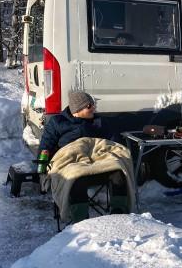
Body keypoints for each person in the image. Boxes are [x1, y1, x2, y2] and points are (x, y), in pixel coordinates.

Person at [38, 91, 134, 223]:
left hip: (99, 162)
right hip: (72, 161)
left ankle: (119, 214)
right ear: (77, 110)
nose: (93, 108)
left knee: (118, 171)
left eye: (93, 104)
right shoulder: (58, 122)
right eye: (89, 106)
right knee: (76, 176)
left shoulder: (99, 121)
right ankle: (80, 221)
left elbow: (114, 143)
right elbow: (45, 146)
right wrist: (43, 166)